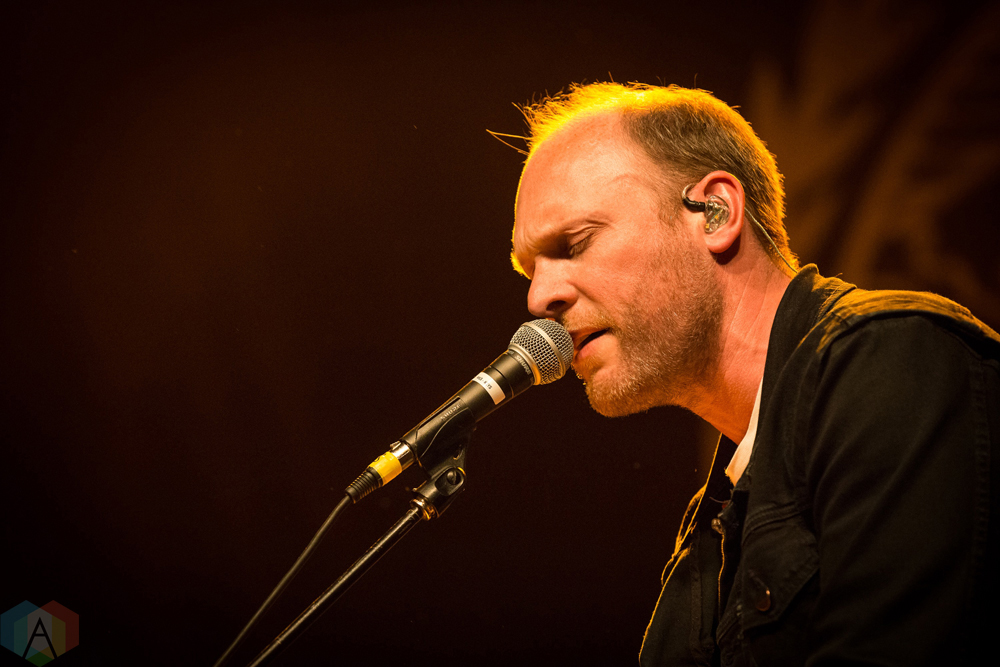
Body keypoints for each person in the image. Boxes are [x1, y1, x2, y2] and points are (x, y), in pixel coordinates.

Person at [508, 82, 999, 666]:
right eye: (528, 270)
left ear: (715, 213)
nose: (539, 297)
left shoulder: (890, 360)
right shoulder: (709, 541)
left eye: (574, 244)